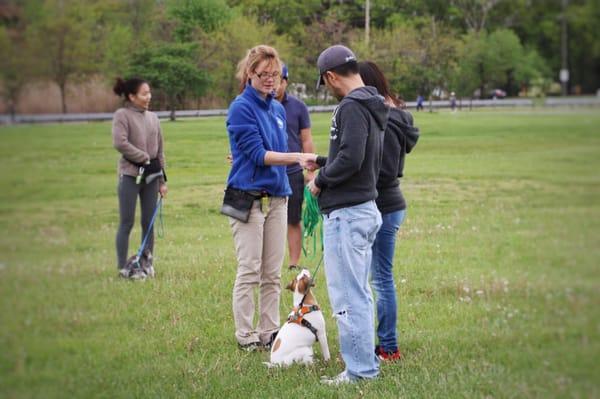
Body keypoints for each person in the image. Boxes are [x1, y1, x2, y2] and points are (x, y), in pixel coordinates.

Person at [225, 45, 317, 351]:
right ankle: (246, 335)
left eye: (275, 74)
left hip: (278, 198)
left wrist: (302, 163)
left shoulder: (277, 109)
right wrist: (297, 156)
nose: (270, 80)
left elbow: (273, 153)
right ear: (250, 73)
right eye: (263, 74)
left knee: (272, 272)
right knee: (249, 269)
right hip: (248, 199)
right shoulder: (241, 107)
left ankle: (268, 331)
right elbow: (258, 155)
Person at [307, 45, 388, 384]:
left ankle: (360, 372)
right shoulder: (372, 103)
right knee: (360, 292)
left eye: (325, 84)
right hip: (364, 208)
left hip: (348, 213)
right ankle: (364, 365)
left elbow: (353, 158)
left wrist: (319, 180)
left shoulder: (351, 107)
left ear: (330, 76)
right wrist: (324, 161)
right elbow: (358, 156)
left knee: (347, 297)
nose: (328, 90)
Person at [358, 61, 420, 361]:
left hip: (382, 204)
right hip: (392, 203)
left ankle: (389, 347)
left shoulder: (384, 118)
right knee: (378, 277)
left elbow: (381, 171)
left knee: (381, 278)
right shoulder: (397, 115)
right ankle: (381, 343)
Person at [112, 77, 167, 279]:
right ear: (132, 96)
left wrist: (162, 180)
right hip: (129, 175)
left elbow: (160, 151)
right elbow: (120, 142)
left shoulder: (153, 118)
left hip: (152, 177)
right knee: (126, 222)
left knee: (148, 222)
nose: (148, 96)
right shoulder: (122, 115)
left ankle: (146, 262)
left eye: (149, 92)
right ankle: (123, 267)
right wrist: (142, 158)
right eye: (144, 93)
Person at [274, 64, 315, 269]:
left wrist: (310, 170)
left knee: (293, 218)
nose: (273, 83)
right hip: (268, 171)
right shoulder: (259, 106)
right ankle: (270, 262)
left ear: (285, 81)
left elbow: (306, 139)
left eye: (277, 78)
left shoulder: (298, 107)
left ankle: (293, 262)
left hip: (292, 172)